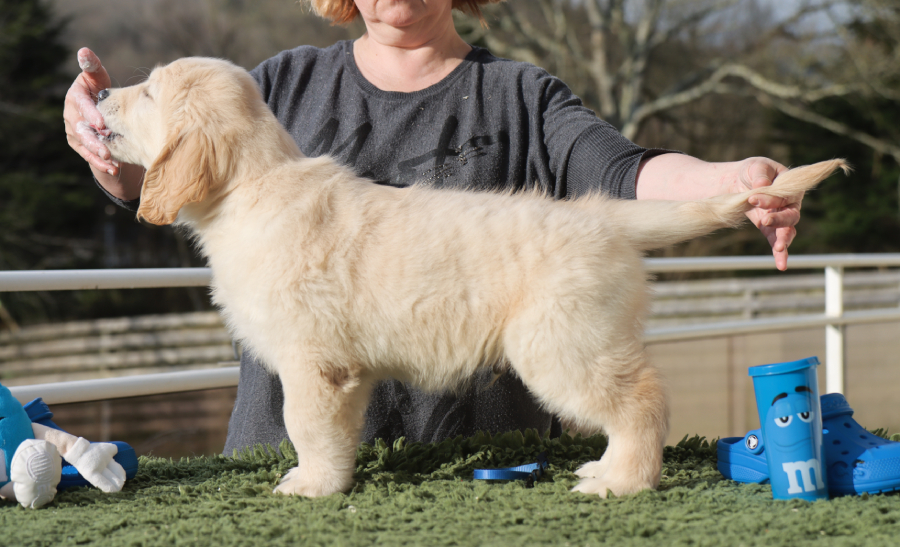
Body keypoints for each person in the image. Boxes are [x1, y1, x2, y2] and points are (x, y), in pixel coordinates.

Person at [64, 0, 801, 455]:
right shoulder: (278, 83)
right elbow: (172, 172)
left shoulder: (520, 94)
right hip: (278, 461)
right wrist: (103, 141)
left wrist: (726, 182)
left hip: (479, 463)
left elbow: (622, 173)